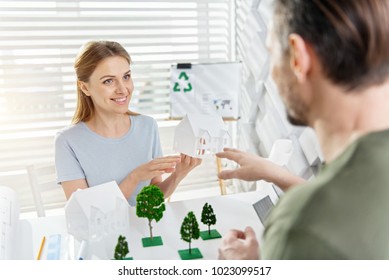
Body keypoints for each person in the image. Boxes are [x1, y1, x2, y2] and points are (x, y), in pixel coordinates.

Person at [218, 0, 389, 259]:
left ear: (298, 57)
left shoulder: (299, 228)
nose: (273, 74)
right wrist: (275, 173)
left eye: (271, 53)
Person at [55, 41, 201, 206]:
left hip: (143, 228)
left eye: (126, 76)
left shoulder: (147, 126)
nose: (123, 89)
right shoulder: (68, 141)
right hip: (103, 231)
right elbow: (84, 211)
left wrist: (178, 175)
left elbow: (152, 198)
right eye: (109, 81)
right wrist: (135, 177)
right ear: (85, 88)